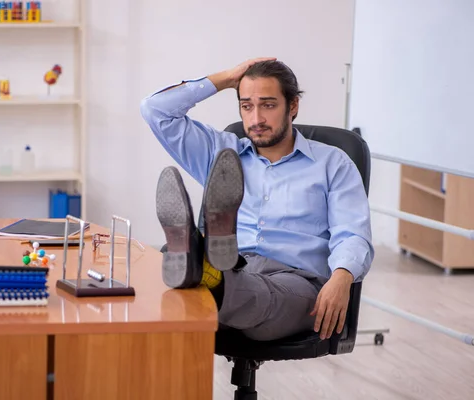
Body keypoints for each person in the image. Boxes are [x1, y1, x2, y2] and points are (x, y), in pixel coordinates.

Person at [140, 58, 374, 341]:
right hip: (235, 263)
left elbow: (353, 233)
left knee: (259, 296)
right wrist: (226, 79)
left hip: (296, 281)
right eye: (247, 106)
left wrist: (342, 277)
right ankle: (209, 269)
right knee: (195, 286)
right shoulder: (222, 152)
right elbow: (155, 110)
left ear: (293, 106)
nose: (256, 119)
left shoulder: (333, 163)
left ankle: (203, 273)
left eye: (268, 105)